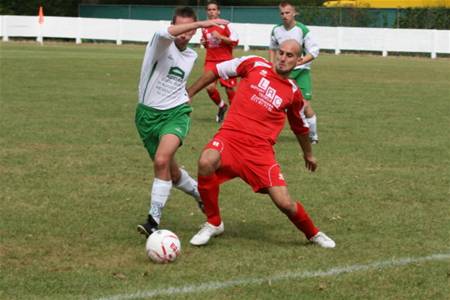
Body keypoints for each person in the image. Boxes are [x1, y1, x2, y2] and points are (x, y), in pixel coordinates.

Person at [187, 39, 336, 248]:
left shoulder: (293, 92)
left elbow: (299, 127)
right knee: (206, 161)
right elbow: (217, 70)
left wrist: (308, 154)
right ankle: (213, 222)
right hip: (230, 137)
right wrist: (189, 93)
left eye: (289, 55)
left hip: (259, 152)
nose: (283, 58)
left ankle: (313, 233)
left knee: (284, 202)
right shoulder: (254, 64)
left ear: (299, 60)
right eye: (281, 53)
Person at [135, 7, 229, 237]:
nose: (184, 34)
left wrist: (187, 95)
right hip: (146, 116)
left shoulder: (191, 55)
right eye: (182, 28)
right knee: (172, 173)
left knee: (161, 160)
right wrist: (200, 24)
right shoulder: (160, 42)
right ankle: (199, 193)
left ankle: (152, 221)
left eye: (190, 29)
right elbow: (168, 32)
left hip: (176, 114)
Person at [269, 1, 320, 144]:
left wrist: (301, 62)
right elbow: (273, 48)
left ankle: (313, 136)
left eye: (287, 12)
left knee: (304, 105)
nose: (284, 16)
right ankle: (267, 132)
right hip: (283, 73)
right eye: (282, 13)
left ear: (294, 13)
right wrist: (272, 65)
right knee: (275, 102)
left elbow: (314, 50)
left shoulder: (301, 30)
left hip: (301, 71)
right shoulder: (276, 30)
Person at [201, 0, 239, 123]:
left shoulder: (226, 25)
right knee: (209, 88)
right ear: (206, 12)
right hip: (210, 61)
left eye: (214, 9)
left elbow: (235, 41)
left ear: (218, 11)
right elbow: (209, 45)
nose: (211, 12)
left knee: (229, 89)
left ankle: (235, 116)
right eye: (209, 10)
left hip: (226, 61)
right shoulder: (204, 26)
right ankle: (222, 106)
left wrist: (221, 37)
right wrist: (204, 43)